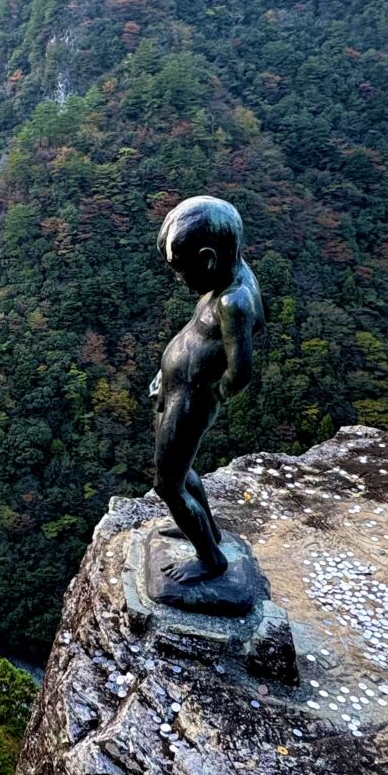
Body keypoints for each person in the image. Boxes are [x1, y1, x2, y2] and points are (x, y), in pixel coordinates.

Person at [147, 195, 266, 590]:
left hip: (191, 399)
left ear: (209, 260)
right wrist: (167, 375)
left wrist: (209, 394)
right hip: (179, 389)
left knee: (167, 485)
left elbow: (240, 371)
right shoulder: (228, 278)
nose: (180, 280)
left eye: (183, 271)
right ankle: (205, 530)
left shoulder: (234, 302)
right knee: (179, 471)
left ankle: (210, 560)